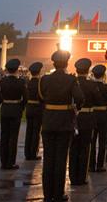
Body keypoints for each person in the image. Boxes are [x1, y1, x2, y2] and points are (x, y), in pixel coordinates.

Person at [39, 50, 84, 202]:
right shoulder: (71, 80)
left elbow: (41, 97)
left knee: (48, 159)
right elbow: (79, 98)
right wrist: (76, 109)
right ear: (66, 63)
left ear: (53, 63)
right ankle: (58, 194)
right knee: (60, 159)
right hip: (64, 122)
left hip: (48, 122)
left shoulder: (45, 79)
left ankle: (47, 194)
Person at [70, 57, 99, 186]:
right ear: (88, 71)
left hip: (74, 118)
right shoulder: (92, 85)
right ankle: (82, 177)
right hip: (87, 118)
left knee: (73, 148)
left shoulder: (72, 82)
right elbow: (98, 100)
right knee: (85, 148)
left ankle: (72, 176)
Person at [0, 58, 25, 170]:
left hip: (5, 109)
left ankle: (3, 161)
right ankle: (11, 162)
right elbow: (25, 98)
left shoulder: (2, 81)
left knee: (4, 136)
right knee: (13, 137)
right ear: (17, 69)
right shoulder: (21, 82)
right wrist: (20, 107)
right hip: (16, 109)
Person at [89, 64, 107, 172]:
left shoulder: (90, 86)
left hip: (92, 114)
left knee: (92, 141)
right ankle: (100, 165)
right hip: (103, 115)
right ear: (103, 75)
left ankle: (91, 164)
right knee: (103, 140)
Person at [24, 62, 43, 161]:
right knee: (36, 132)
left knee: (29, 131)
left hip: (29, 107)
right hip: (37, 108)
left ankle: (27, 153)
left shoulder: (28, 82)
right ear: (39, 72)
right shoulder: (40, 83)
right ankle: (33, 153)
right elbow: (42, 97)